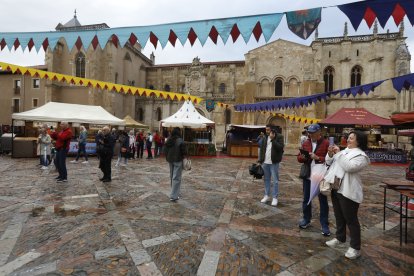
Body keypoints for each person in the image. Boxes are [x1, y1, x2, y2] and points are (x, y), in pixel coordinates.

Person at [324, 130, 370, 259]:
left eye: (351, 138)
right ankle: (340, 238)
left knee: (351, 220)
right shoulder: (343, 152)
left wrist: (338, 154)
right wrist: (330, 153)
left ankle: (355, 247)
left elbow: (349, 167)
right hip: (336, 187)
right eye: (348, 138)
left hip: (348, 190)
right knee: (339, 216)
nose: (348, 140)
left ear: (358, 141)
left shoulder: (361, 156)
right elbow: (329, 162)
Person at [297, 123, 330, 236]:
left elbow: (330, 159)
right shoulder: (306, 143)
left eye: (313, 133)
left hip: (320, 176)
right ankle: (306, 219)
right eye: (309, 133)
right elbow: (299, 157)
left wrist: (318, 158)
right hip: (308, 175)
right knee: (306, 199)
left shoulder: (326, 143)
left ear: (319, 132)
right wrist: (303, 157)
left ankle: (324, 224)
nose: (311, 135)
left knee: (323, 201)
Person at [258, 125, 284, 206]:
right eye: (266, 130)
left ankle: (275, 197)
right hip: (265, 162)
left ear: (272, 130)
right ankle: (266, 195)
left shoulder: (279, 137)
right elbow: (262, 149)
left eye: (268, 130)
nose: (267, 131)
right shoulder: (265, 137)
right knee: (266, 179)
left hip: (274, 162)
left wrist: (273, 139)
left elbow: (280, 148)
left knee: (275, 181)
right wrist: (260, 160)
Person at [164, 127, 187, 202]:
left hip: (170, 160)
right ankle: (174, 196)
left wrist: (167, 157)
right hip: (177, 160)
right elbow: (184, 151)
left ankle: (174, 192)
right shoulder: (180, 140)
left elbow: (165, 150)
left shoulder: (169, 140)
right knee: (176, 178)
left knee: (172, 176)